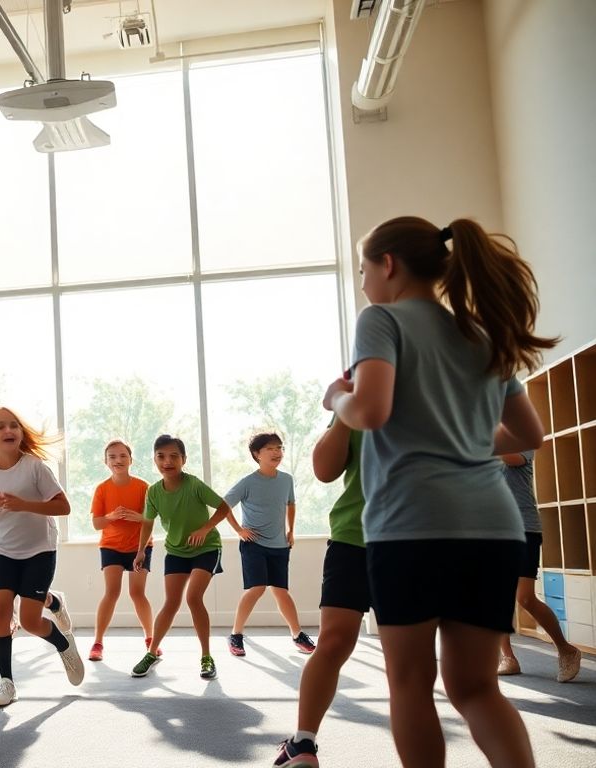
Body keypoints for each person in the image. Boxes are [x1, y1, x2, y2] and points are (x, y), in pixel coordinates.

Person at [323, 216, 551, 768]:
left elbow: (371, 410)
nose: (361, 283)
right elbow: (529, 435)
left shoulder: (380, 319)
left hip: (411, 528)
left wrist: (335, 399)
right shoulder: (479, 331)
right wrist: (463, 438)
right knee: (476, 689)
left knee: (410, 684)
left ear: (389, 265)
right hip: (494, 530)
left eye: (362, 270)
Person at [0, 406, 83, 707]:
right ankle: (7, 683)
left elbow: (63, 507)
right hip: (3, 551)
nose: (9, 431)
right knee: (0, 615)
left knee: (31, 622)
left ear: (21, 433)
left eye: (14, 426)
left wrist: (23, 504)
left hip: (39, 550)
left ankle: (62, 641)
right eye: (1, 427)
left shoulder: (34, 467)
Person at [272, 419, 367, 766]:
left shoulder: (444, 385)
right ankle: (303, 743)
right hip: (355, 537)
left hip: (413, 543)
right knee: (333, 642)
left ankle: (301, 744)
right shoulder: (364, 385)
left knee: (409, 663)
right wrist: (345, 410)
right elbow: (325, 469)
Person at [129, 435, 242, 681]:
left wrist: (204, 529)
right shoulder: (154, 492)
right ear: (154, 459)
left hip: (207, 548)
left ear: (183, 459)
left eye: (173, 456)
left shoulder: (194, 485)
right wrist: (140, 550)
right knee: (171, 602)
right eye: (161, 456)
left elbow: (224, 506)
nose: (167, 461)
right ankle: (152, 653)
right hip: (176, 550)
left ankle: (206, 657)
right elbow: (148, 522)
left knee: (193, 598)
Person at [225, 432, 316, 657]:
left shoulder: (286, 479)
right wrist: (238, 530)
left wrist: (291, 530)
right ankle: (236, 635)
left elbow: (291, 504)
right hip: (253, 544)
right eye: (270, 449)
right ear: (257, 454)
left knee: (281, 591)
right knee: (257, 588)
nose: (277, 452)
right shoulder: (248, 482)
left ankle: (297, 634)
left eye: (279, 448)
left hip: (279, 545)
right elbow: (224, 504)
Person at [497, 449, 581, 681]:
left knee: (524, 598)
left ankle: (567, 650)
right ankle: (508, 657)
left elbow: (510, 457)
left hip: (524, 528)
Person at [89, 439, 155, 662]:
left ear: (130, 459)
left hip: (140, 547)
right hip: (112, 547)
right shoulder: (102, 489)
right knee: (112, 592)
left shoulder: (143, 487)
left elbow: (153, 519)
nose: (118, 460)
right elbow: (97, 523)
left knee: (137, 593)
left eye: (122, 456)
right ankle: (98, 643)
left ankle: (151, 641)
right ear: (106, 462)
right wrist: (111, 517)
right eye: (113, 457)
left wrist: (140, 518)